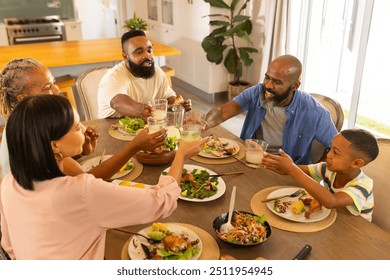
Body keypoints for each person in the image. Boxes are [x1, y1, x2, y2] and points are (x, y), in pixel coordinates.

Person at [0, 94, 207, 259]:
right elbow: (162, 202)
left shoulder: (9, 181)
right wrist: (181, 154)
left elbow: (8, 245)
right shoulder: (80, 191)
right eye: (76, 127)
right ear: (54, 146)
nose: (84, 128)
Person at [0, 58, 165, 180]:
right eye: (47, 87)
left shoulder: (26, 125)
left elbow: (57, 163)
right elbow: (87, 181)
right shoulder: (27, 139)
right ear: (23, 98)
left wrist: (79, 152)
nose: (57, 89)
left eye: (54, 82)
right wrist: (133, 148)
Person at [205, 54, 338, 164]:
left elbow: (336, 148)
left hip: (288, 172)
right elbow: (222, 112)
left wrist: (316, 172)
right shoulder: (257, 92)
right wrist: (204, 124)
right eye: (267, 78)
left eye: (277, 82)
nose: (268, 86)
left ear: (295, 85)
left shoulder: (316, 112)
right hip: (252, 158)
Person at [262, 128, 379, 221]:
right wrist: (267, 160)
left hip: (355, 232)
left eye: (336, 152)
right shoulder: (328, 169)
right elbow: (291, 170)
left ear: (356, 163)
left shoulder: (363, 186)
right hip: (334, 220)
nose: (328, 155)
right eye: (330, 148)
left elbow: (331, 201)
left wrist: (292, 169)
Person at [97, 30, 191, 119]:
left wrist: (178, 105)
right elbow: (118, 102)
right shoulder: (114, 77)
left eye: (149, 51)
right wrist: (147, 111)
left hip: (146, 128)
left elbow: (167, 96)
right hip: (111, 128)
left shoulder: (157, 72)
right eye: (139, 52)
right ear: (126, 57)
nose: (147, 56)